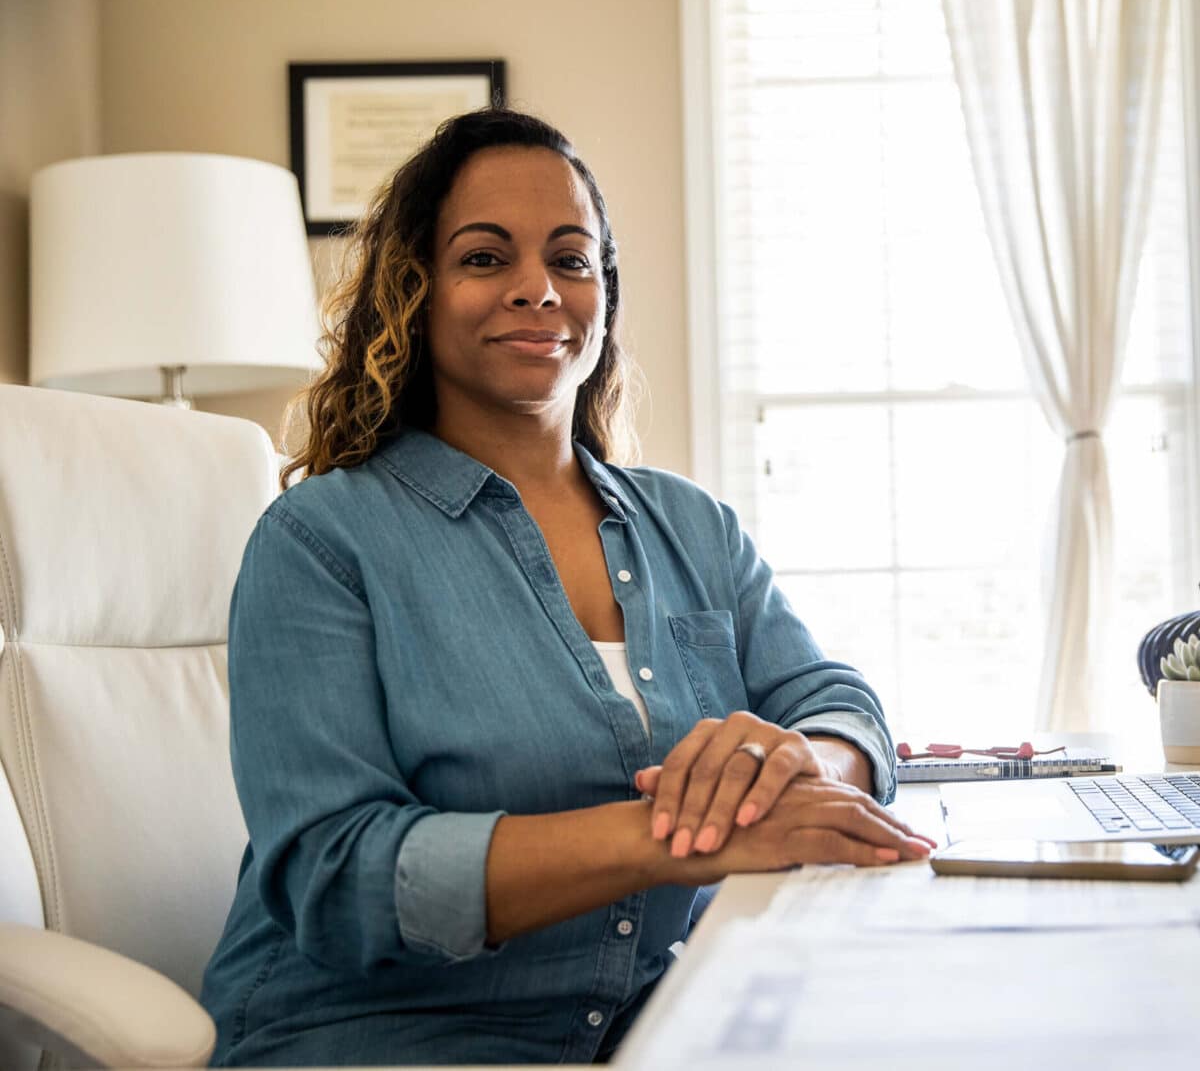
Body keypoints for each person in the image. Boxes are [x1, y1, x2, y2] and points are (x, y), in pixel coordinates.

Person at [200, 107, 934, 1067]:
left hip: (659, 1024)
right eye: (484, 258)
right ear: (415, 292)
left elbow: (835, 701)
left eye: (571, 259)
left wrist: (803, 771)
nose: (538, 290)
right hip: (379, 1038)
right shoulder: (319, 542)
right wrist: (679, 837)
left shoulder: (691, 524)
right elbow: (341, 879)